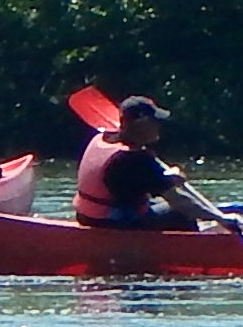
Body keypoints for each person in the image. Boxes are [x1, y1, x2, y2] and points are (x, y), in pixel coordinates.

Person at [73, 95, 208, 229]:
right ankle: (202, 240)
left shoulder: (99, 139)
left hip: (86, 217)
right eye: (154, 121)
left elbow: (138, 179)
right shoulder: (135, 158)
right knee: (182, 213)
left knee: (157, 203)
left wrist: (168, 178)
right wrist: (217, 217)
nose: (158, 125)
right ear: (141, 123)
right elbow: (179, 201)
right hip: (112, 224)